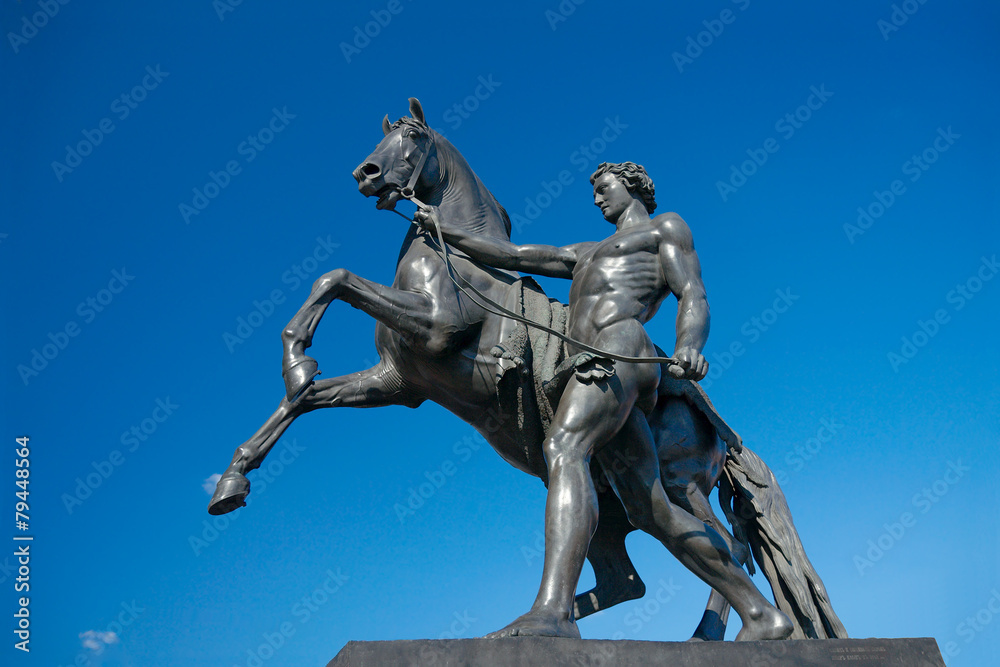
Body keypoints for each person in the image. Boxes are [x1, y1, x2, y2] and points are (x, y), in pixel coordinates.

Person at [413, 162, 792, 640]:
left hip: (622, 347)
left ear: (631, 186)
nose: (597, 199)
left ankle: (553, 611)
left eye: (604, 188)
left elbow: (693, 293)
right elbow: (512, 254)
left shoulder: (664, 228)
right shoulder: (586, 252)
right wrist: (440, 226)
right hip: (590, 361)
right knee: (648, 509)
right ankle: (760, 614)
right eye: (594, 192)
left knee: (563, 450)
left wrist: (690, 344)